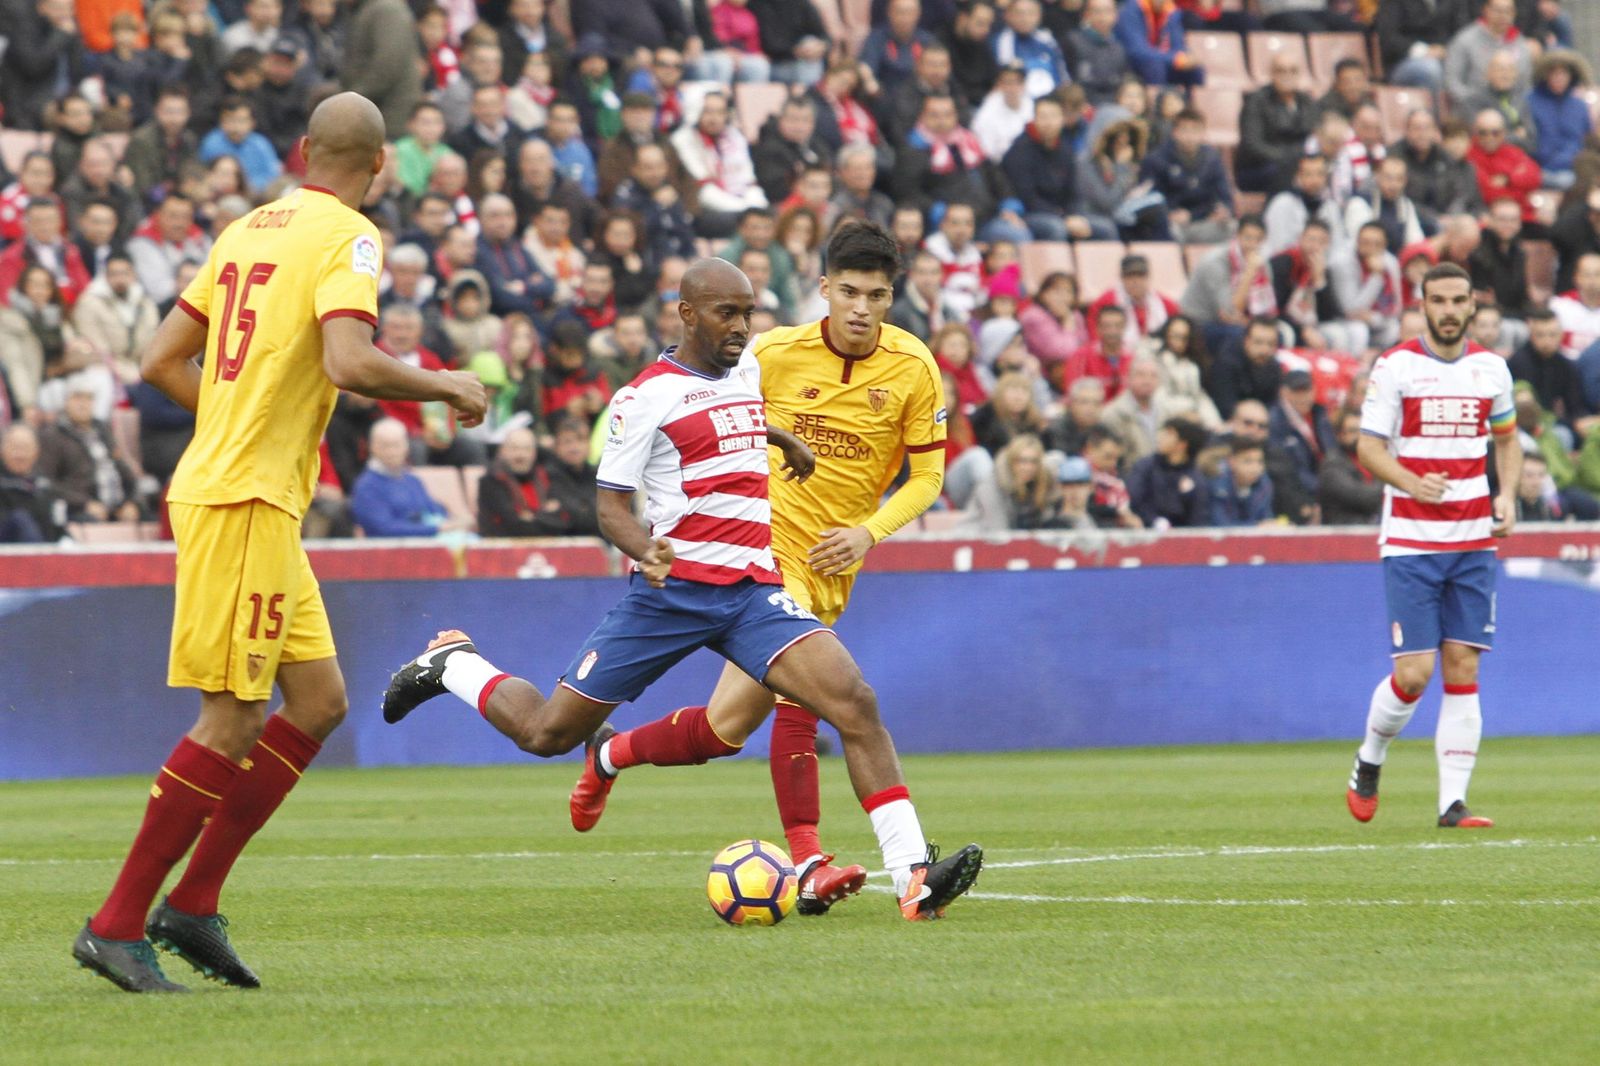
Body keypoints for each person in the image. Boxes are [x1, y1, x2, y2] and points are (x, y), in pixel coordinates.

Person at [381, 255, 982, 922]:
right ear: (688, 314)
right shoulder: (644, 398)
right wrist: (647, 548)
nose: (742, 327)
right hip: (671, 594)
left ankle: (912, 877)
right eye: (728, 313)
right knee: (548, 733)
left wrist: (783, 441)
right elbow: (608, 507)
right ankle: (454, 665)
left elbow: (737, 416)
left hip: (753, 592)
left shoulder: (747, 365)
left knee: (854, 701)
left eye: (749, 313)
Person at [72, 93, 488, 995]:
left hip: (251, 493)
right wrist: (445, 383)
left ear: (303, 151)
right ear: (379, 167)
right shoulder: (353, 237)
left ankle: (193, 905)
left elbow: (157, 361)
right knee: (232, 717)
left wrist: (233, 418)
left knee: (318, 699)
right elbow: (349, 361)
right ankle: (114, 926)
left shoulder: (243, 230)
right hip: (243, 499)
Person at [1346, 262, 1521, 831]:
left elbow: (1508, 440)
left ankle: (1453, 804)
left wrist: (1509, 497)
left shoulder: (1492, 369)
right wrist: (1410, 482)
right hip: (1411, 540)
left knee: (1463, 663)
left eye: (1458, 300)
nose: (1448, 310)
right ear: (1423, 305)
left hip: (1474, 539)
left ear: (1473, 305)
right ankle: (1369, 758)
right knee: (1416, 673)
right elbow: (1368, 447)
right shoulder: (1396, 366)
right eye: (1438, 300)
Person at [1236, 53, 1315, 194]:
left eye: (1293, 71)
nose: (1287, 75)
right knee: (1287, 173)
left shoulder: (1306, 101)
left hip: (1297, 165)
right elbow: (1252, 145)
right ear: (1272, 74)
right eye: (1281, 71)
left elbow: (1313, 135)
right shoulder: (1256, 101)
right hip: (1258, 168)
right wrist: (1287, 158)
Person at [1125, 416, 1208, 528]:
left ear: (1182, 444)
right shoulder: (1145, 467)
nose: (1160, 437)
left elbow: (1198, 518)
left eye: (1169, 433)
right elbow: (1135, 499)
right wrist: (1153, 521)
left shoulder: (1196, 479)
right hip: (1145, 533)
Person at [1318, 408, 1383, 525]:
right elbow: (1363, 498)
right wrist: (1388, 484)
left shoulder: (1373, 459)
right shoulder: (1332, 464)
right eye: (1353, 431)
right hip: (1344, 532)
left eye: (1363, 431)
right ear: (1339, 434)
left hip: (1372, 527)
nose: (1359, 436)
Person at [1208, 437, 1273, 527]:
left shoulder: (1264, 484)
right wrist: (1256, 527)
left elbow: (1266, 517)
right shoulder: (1216, 484)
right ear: (1232, 462)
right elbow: (1220, 525)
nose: (1255, 468)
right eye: (1248, 461)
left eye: (1260, 461)